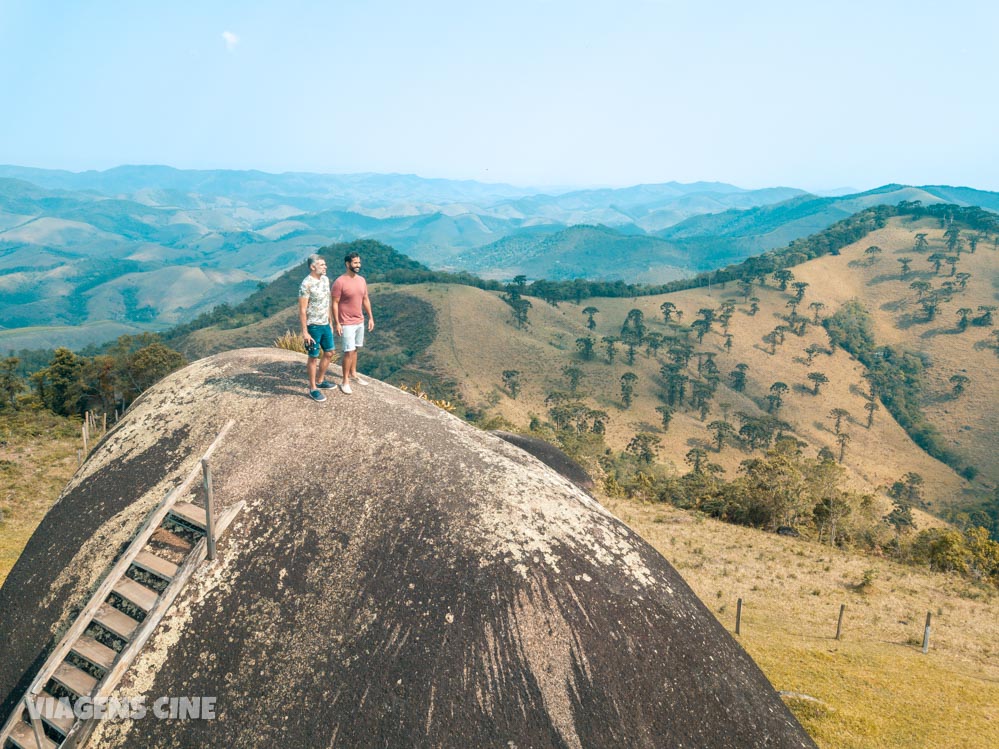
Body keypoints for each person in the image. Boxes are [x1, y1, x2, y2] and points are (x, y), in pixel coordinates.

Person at [332, 251, 375, 394]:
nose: (358, 265)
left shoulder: (361, 280)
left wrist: (370, 317)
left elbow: (365, 299)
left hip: (359, 320)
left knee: (356, 349)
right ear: (347, 264)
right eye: (355, 263)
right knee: (348, 351)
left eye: (359, 262)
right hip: (346, 322)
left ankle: (353, 374)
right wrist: (337, 323)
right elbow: (334, 303)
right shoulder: (339, 282)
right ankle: (345, 381)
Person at [298, 253, 337, 402]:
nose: (325, 267)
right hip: (313, 326)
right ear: (312, 267)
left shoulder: (325, 280)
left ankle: (320, 381)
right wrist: (305, 332)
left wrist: (330, 322)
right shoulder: (306, 284)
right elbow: (302, 309)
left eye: (325, 264)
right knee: (313, 357)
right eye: (322, 265)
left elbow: (326, 301)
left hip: (325, 324)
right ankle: (313, 388)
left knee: (329, 352)